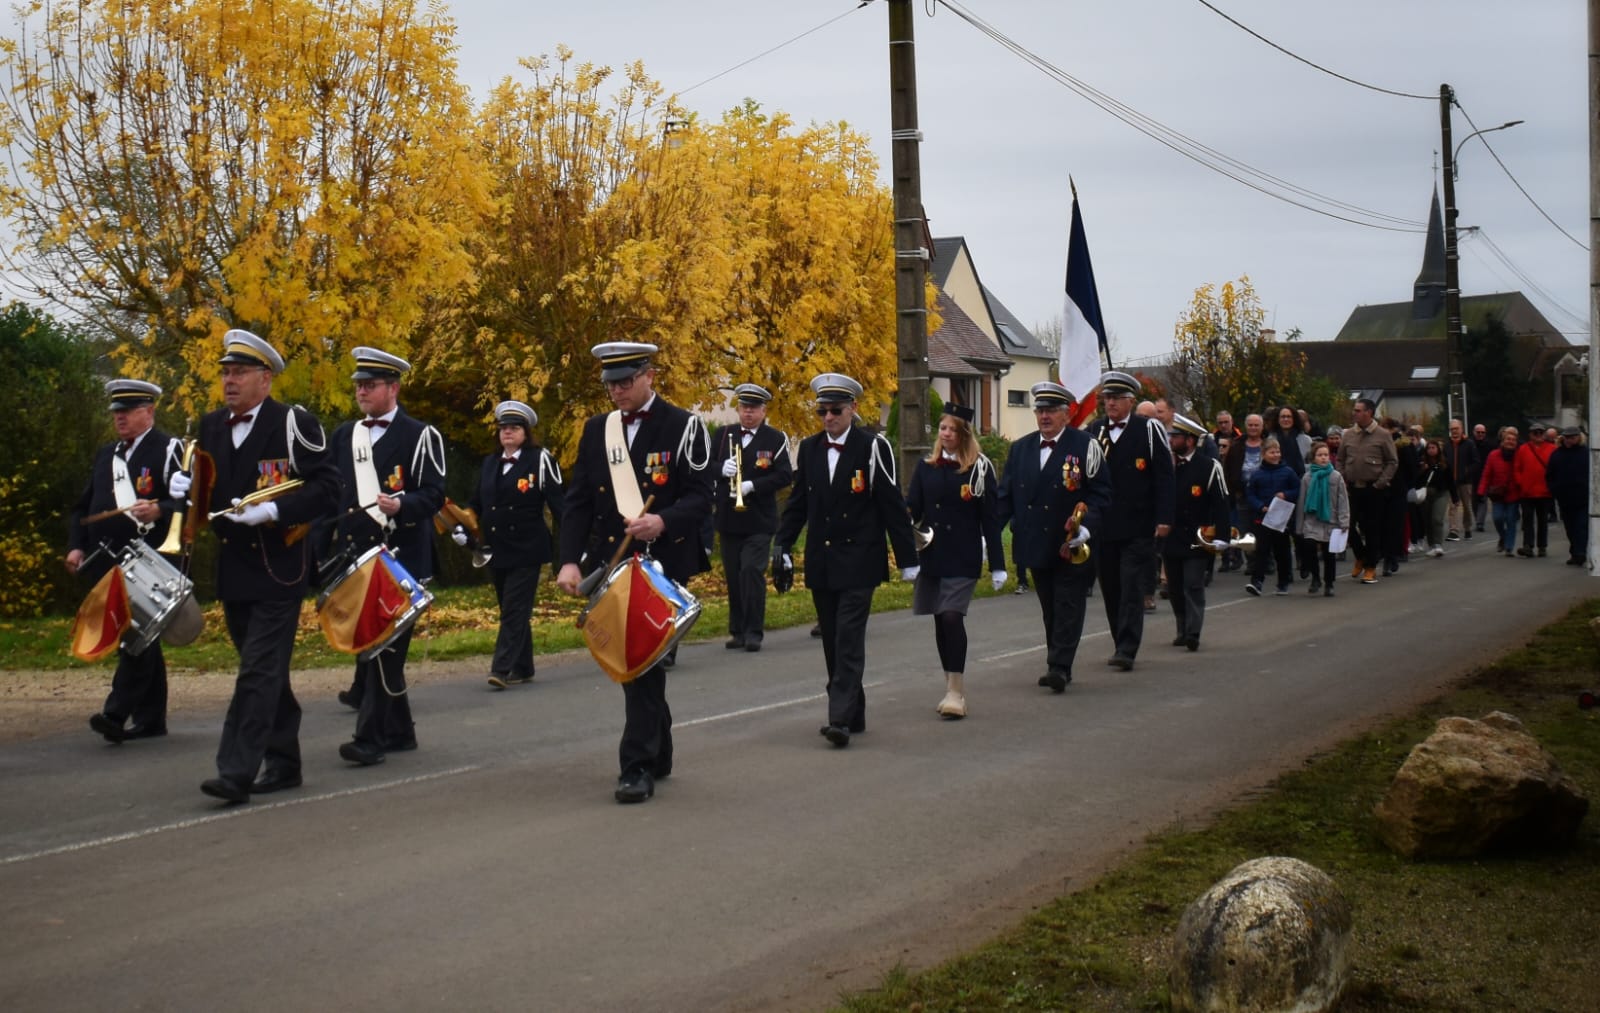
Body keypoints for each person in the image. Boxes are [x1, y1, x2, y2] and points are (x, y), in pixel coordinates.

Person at [178, 329, 338, 803]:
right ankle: (285, 762)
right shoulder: (210, 426)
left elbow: (329, 488)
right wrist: (182, 493)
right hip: (234, 569)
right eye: (226, 373)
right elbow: (205, 492)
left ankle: (235, 771)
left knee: (256, 671)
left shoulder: (293, 423)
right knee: (265, 671)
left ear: (265, 379)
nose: (230, 382)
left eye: (240, 373)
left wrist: (273, 511)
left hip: (279, 567)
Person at [556, 342, 711, 803]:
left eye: (626, 382)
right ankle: (656, 751)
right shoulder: (596, 430)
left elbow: (703, 497)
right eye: (610, 384)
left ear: (650, 376)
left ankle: (637, 765)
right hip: (614, 559)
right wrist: (568, 559)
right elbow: (578, 501)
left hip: (662, 562)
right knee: (639, 666)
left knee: (640, 662)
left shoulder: (684, 426)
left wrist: (662, 520)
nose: (617, 392)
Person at [774, 372, 919, 747]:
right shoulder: (808, 449)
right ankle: (854, 711)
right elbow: (798, 505)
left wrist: (907, 558)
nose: (827, 418)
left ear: (853, 409)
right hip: (823, 560)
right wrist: (782, 546)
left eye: (835, 410)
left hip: (860, 559)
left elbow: (891, 505)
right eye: (822, 410)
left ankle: (837, 718)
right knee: (832, 642)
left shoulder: (873, 447)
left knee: (849, 638)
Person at [320, 348, 446, 766]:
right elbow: (332, 498)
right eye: (358, 385)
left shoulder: (419, 434)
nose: (361, 392)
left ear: (393, 388)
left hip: (401, 558)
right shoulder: (344, 436)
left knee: (382, 648)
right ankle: (401, 731)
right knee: (374, 646)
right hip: (356, 558)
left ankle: (369, 737)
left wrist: (402, 504)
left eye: (370, 385)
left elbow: (434, 494)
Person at [67, 379, 182, 744]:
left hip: (148, 560)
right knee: (140, 637)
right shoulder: (108, 455)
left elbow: (192, 499)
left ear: (148, 411)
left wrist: (160, 508)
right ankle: (151, 719)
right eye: (117, 412)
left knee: (136, 636)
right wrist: (76, 546)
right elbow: (84, 507)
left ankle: (116, 712)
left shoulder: (168, 449)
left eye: (128, 411)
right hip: (107, 559)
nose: (120, 418)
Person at [995, 381, 1112, 692]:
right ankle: (1058, 660)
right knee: (1050, 605)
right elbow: (1005, 496)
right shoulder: (1021, 448)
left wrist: (1086, 527)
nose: (1044, 416)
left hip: (1071, 544)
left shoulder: (1086, 446)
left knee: (1069, 603)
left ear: (1066, 414)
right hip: (1035, 540)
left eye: (1051, 411)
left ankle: (1059, 665)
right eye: (1040, 411)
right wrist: (988, 533)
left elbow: (1102, 493)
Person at [906, 403, 1006, 718]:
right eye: (943, 429)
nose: (946, 434)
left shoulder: (979, 468)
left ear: (964, 434)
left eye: (952, 429)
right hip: (933, 554)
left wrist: (999, 564)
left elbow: (991, 518)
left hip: (963, 554)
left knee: (951, 616)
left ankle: (956, 691)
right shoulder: (926, 467)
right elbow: (914, 508)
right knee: (939, 619)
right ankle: (949, 682)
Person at [468, 400, 565, 690]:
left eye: (514, 428)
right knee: (511, 608)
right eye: (503, 429)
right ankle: (523, 665)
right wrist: (464, 530)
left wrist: (572, 547)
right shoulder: (489, 463)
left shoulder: (540, 460)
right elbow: (475, 503)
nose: (507, 433)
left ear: (526, 432)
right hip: (496, 549)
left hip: (527, 547)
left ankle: (502, 668)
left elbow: (560, 505)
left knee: (514, 608)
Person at [1084, 371, 1173, 671]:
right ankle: (1118, 638)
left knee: (1132, 585)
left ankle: (1127, 647)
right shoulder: (1095, 431)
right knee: (1111, 588)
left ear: (1130, 401)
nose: (1110, 403)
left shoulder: (1148, 429)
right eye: (1106, 398)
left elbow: (1164, 476)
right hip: (1104, 525)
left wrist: (1163, 517)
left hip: (1138, 525)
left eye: (1116, 398)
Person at [713, 383, 792, 653]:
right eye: (744, 407)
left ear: (763, 410)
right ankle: (737, 631)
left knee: (751, 572)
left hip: (759, 520)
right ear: (738, 409)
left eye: (754, 408)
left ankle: (754, 632)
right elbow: (703, 467)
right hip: (729, 519)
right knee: (734, 576)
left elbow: (784, 475)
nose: (748, 413)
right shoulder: (723, 435)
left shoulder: (775, 438)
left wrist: (753, 486)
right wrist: (721, 469)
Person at [1162, 414, 1229, 649]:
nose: (1171, 440)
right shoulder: (1166, 465)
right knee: (1175, 587)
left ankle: (1193, 632)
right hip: (1171, 537)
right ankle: (1181, 627)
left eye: (1176, 437)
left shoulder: (1209, 466)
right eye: (1170, 436)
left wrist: (1222, 537)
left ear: (1190, 440)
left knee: (1192, 583)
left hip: (1196, 538)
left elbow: (1221, 503)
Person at [1337, 397, 1397, 585]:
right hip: (1352, 488)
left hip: (1374, 489)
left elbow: (1392, 462)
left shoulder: (1382, 434)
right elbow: (1340, 459)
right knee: (1346, 525)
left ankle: (1370, 567)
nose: (1354, 413)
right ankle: (1360, 556)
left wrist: (1380, 483)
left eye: (1358, 410)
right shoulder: (1348, 434)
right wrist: (1341, 476)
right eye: (1354, 410)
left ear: (1368, 413)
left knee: (1372, 528)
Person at [1243, 437, 1298, 596]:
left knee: (1282, 551)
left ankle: (1283, 582)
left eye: (1277, 451)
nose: (1275, 455)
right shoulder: (1257, 474)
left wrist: (1285, 494)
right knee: (1261, 550)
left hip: (1282, 518)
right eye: (1271, 452)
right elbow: (1250, 494)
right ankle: (1257, 582)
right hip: (1263, 517)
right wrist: (1261, 506)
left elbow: (1297, 489)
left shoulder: (1287, 472)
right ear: (1264, 454)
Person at [1295, 441, 1349, 596]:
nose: (1323, 458)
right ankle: (1315, 578)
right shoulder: (1307, 477)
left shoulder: (1336, 476)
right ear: (1313, 458)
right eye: (1320, 455)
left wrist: (1344, 521)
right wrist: (1299, 525)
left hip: (1331, 521)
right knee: (1310, 547)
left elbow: (1343, 500)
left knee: (1329, 554)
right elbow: (1301, 501)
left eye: (1326, 455)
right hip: (1312, 520)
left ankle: (1329, 583)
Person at [1546, 426, 1589, 566]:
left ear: (1579, 437)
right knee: (1570, 527)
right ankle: (1575, 551)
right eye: (1568, 437)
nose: (1570, 439)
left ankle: (1580, 552)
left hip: (1583, 497)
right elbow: (1549, 475)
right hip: (1564, 497)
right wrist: (1555, 490)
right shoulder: (1557, 454)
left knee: (1581, 526)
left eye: (1573, 437)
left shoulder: (1586, 453)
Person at [1477, 425, 1521, 555]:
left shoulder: (1519, 455)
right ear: (1502, 441)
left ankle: (1509, 547)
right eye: (1508, 439)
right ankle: (1503, 536)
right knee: (1497, 518)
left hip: (1514, 494)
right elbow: (1486, 474)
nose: (1510, 441)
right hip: (1498, 494)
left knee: (1511, 520)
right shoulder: (1493, 455)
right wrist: (1481, 491)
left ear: (1516, 442)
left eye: (1513, 440)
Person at [1512, 423, 1554, 557]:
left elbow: (1556, 469)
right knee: (1527, 520)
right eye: (1535, 433)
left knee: (1543, 521)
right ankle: (1528, 546)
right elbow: (1517, 468)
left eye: (1540, 432)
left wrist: (1552, 485)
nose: (1538, 435)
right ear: (1530, 435)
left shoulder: (1552, 449)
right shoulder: (1523, 449)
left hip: (1545, 492)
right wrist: (1521, 483)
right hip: (1527, 492)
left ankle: (1542, 546)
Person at [1414, 438, 1456, 558]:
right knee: (1427, 520)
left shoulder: (1444, 463)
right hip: (1425, 495)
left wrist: (1455, 497)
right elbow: (1416, 480)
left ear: (1438, 449)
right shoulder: (1422, 463)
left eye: (1433, 448)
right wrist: (1422, 470)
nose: (1431, 450)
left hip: (1441, 493)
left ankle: (1438, 544)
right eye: (1429, 448)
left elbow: (1450, 481)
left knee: (1437, 518)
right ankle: (1431, 544)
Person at [1444, 418, 1480, 541]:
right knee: (1453, 506)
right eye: (1452, 429)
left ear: (1461, 429)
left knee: (1467, 506)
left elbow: (1476, 462)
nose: (1454, 431)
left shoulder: (1469, 444)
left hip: (1466, 481)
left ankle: (1467, 528)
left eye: (1456, 428)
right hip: (1451, 481)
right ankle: (1453, 530)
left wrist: (1466, 471)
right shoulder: (1447, 444)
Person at [1470, 423, 1492, 532]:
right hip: (1472, 477)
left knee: (1482, 500)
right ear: (1474, 432)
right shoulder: (1470, 444)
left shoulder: (1489, 445)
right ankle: (1477, 518)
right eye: (1478, 432)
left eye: (1482, 432)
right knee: (1474, 500)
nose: (1480, 434)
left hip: (1485, 476)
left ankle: (1480, 522)